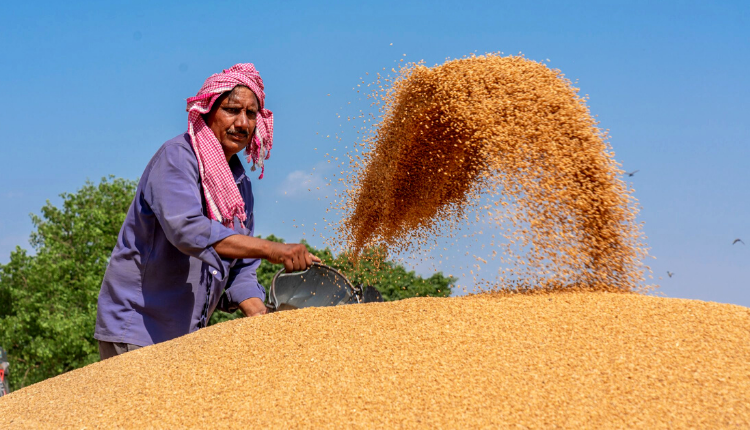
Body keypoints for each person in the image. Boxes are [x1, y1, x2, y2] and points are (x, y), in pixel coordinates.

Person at [94, 64, 319, 360]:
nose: (242, 123)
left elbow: (240, 268)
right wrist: (273, 250)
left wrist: (261, 315)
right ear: (207, 111)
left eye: (251, 114)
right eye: (232, 110)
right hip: (139, 329)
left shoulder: (240, 186)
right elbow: (188, 231)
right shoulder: (177, 158)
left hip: (186, 340)